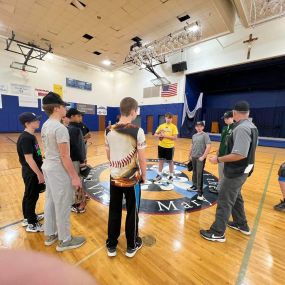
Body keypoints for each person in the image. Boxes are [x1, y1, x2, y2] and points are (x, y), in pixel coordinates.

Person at [200, 101, 258, 242]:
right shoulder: (251, 126)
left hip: (236, 171)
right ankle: (241, 224)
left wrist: (218, 160)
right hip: (244, 169)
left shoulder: (241, 128)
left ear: (234, 113)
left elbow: (240, 154)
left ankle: (217, 232)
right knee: (236, 196)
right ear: (248, 113)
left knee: (225, 200)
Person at [41, 92, 86, 251]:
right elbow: (65, 156)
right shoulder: (60, 128)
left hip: (48, 166)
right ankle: (65, 240)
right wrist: (74, 177)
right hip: (58, 170)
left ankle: (50, 234)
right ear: (56, 108)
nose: (65, 108)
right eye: (63, 105)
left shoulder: (45, 124)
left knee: (51, 201)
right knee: (63, 204)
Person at [105, 97, 146, 258]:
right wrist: (144, 175)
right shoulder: (138, 131)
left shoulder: (108, 130)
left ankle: (111, 245)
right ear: (133, 111)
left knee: (114, 210)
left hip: (113, 177)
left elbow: (108, 154)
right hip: (132, 179)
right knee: (132, 212)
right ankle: (131, 245)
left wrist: (116, 167)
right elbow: (142, 158)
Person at [17, 112, 44, 232]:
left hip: (34, 171)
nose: (38, 121)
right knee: (31, 196)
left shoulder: (31, 136)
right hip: (32, 172)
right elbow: (28, 159)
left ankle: (28, 218)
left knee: (30, 195)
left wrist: (42, 158)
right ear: (27, 123)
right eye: (35, 120)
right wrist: (39, 174)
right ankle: (32, 224)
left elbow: (36, 153)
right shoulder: (26, 138)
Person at [66, 108, 88, 213]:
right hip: (76, 160)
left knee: (77, 181)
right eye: (78, 116)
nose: (80, 118)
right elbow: (76, 147)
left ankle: (80, 200)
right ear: (71, 117)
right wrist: (82, 160)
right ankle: (78, 203)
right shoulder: (74, 129)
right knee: (78, 181)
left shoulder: (70, 128)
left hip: (74, 159)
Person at [210, 111, 234, 194]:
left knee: (226, 173)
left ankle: (220, 189)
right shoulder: (224, 128)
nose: (225, 120)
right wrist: (218, 151)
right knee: (221, 173)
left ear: (232, 118)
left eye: (227, 118)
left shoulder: (235, 128)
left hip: (229, 156)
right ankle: (220, 187)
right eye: (224, 118)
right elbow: (222, 142)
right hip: (221, 154)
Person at [187, 121, 211, 200]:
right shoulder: (194, 136)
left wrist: (203, 157)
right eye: (197, 126)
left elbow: (208, 146)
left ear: (203, 127)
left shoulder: (205, 136)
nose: (199, 128)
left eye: (200, 126)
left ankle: (200, 193)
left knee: (199, 174)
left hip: (200, 158)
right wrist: (189, 155)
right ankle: (194, 186)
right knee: (194, 172)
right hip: (193, 157)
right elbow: (191, 145)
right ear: (195, 127)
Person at [153, 113, 178, 182]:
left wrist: (165, 135)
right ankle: (159, 175)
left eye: (170, 118)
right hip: (161, 146)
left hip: (170, 147)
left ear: (171, 119)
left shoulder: (174, 127)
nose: (168, 119)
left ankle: (171, 176)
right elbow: (155, 134)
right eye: (167, 118)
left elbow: (175, 138)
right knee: (160, 161)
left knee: (170, 162)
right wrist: (160, 136)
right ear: (165, 118)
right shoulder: (161, 126)